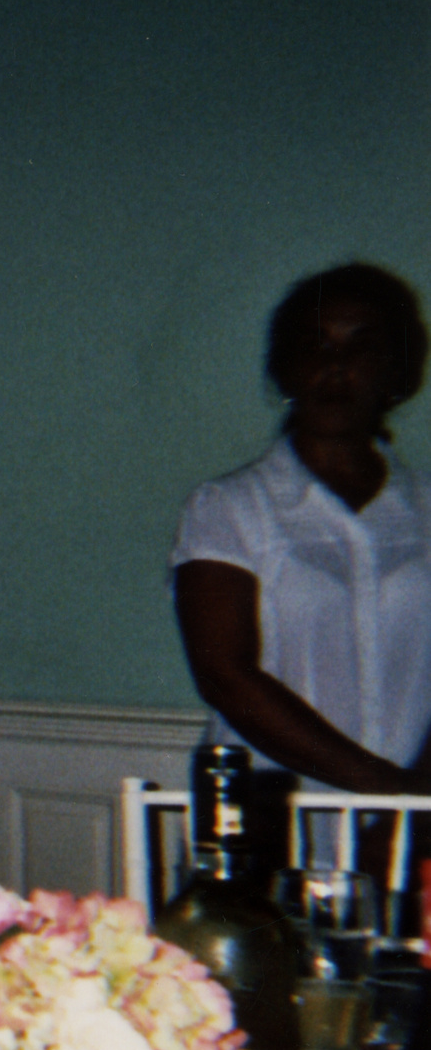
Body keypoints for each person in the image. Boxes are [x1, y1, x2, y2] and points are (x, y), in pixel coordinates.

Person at [172, 262, 431, 794]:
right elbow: (226, 677)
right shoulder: (227, 507)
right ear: (285, 369)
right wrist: (385, 790)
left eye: (362, 346)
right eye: (315, 345)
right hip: (269, 818)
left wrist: (415, 805)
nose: (335, 366)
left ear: (397, 372)